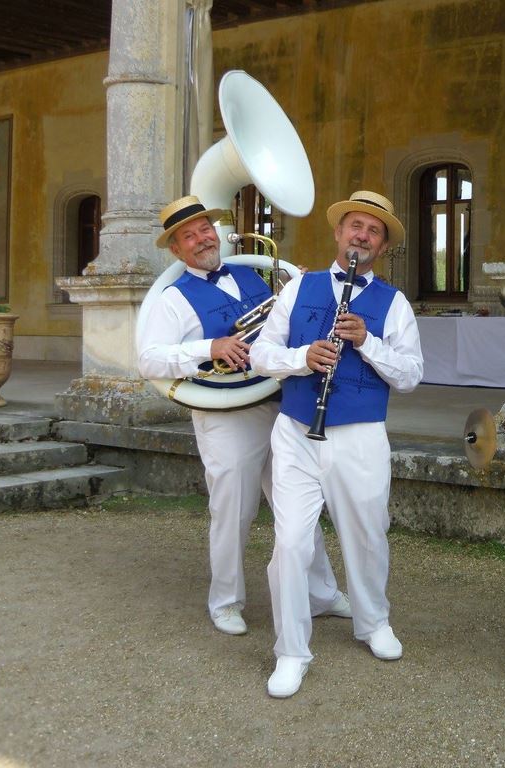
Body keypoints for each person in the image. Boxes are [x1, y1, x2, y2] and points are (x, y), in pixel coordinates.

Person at [138, 195, 348, 637]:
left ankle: (322, 593)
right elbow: (150, 360)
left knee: (299, 504)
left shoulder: (252, 273)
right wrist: (209, 348)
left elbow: (287, 323)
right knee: (233, 508)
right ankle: (226, 600)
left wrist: (304, 289)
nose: (201, 239)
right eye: (188, 236)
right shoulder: (172, 298)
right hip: (225, 415)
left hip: (277, 402)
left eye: (205, 229)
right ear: (176, 250)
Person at [251, 190, 423, 699]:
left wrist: (367, 342)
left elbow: (411, 375)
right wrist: (303, 357)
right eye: (355, 225)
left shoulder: (394, 303)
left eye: (373, 230)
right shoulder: (297, 287)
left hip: (361, 436)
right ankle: (291, 652)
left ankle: (373, 622)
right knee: (290, 544)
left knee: (368, 535)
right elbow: (260, 355)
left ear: (383, 244)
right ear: (338, 232)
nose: (361, 235)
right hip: (297, 431)